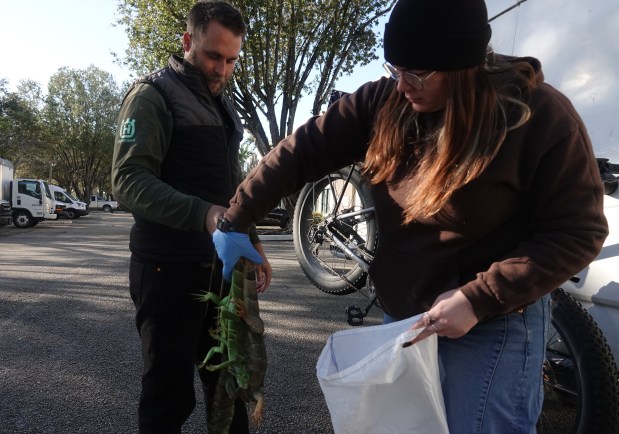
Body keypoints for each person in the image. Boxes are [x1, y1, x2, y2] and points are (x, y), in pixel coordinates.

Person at [209, 0, 609, 432]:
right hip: (406, 314)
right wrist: (236, 219)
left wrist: (479, 298)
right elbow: (299, 153)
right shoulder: (385, 100)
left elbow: (578, 231)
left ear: (463, 66)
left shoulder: (537, 116)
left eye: (416, 73)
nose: (402, 86)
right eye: (395, 69)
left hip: (493, 319)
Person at [111, 1, 271, 432]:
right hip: (165, 271)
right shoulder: (152, 95)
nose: (222, 69)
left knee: (228, 391)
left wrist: (251, 237)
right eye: (213, 56)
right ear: (188, 42)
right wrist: (202, 214)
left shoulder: (225, 104)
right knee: (168, 397)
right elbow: (127, 180)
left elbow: (232, 184)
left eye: (231, 60)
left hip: (219, 270)